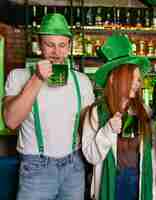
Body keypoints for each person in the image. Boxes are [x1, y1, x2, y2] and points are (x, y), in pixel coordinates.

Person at [3, 13, 95, 200]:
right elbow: (11, 121)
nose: (56, 52)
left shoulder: (82, 81)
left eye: (62, 45)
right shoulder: (18, 76)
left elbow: (88, 125)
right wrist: (37, 79)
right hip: (36, 168)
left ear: (69, 46)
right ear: (39, 45)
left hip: (74, 166)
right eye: (50, 45)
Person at [81, 34, 156, 200]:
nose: (137, 83)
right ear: (113, 79)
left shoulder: (145, 112)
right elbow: (90, 156)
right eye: (131, 78)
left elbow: (154, 156)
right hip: (112, 182)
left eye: (138, 79)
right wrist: (108, 130)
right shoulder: (95, 112)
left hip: (140, 181)